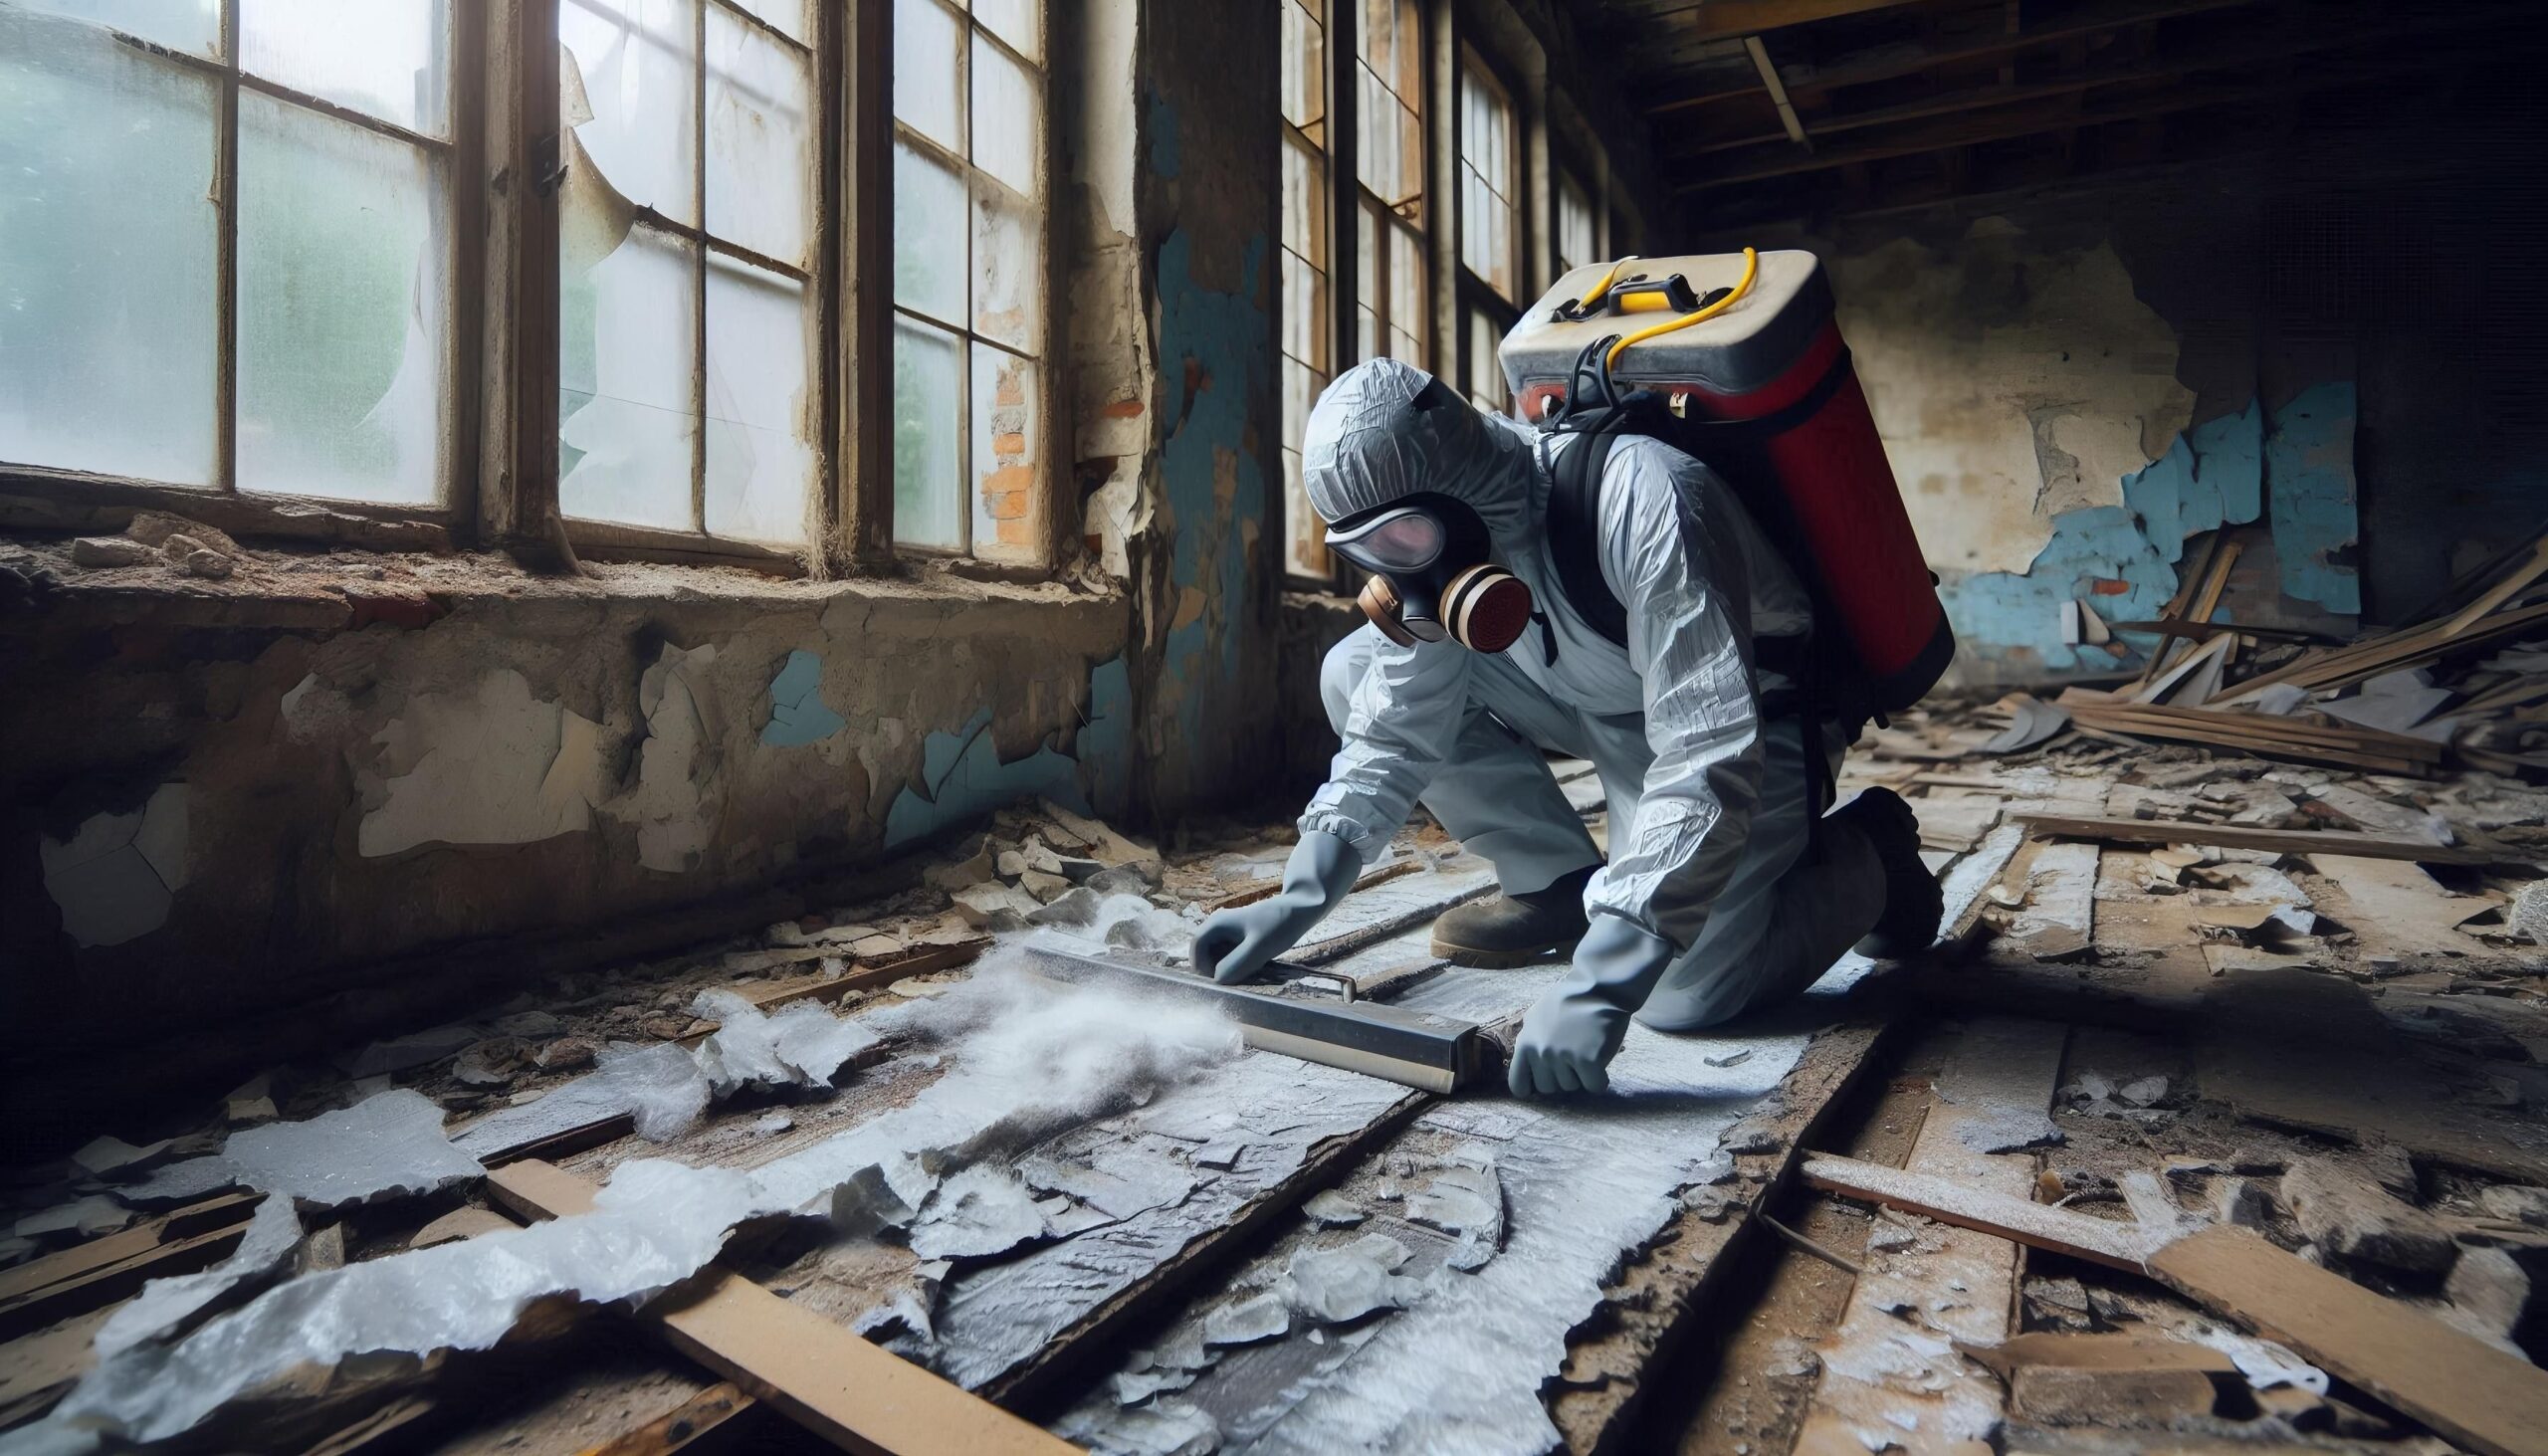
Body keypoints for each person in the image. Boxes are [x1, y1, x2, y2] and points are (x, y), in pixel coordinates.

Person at [1191, 358, 1940, 1097]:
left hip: (1749, 716)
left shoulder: (1646, 498)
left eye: (1405, 542)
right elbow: (1392, 730)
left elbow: (1706, 749)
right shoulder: (1457, 545)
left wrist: (1604, 983)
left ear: (1459, 481)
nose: (1400, 579)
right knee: (1357, 670)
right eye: (1368, 555)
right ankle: (1558, 882)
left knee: (1683, 992)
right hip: (1590, 694)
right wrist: (1298, 898)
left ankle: (1872, 854)